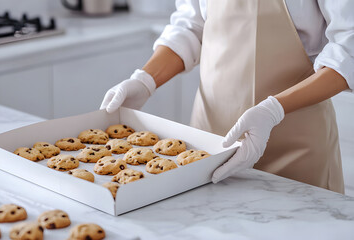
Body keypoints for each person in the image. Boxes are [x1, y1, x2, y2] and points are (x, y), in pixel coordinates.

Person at [100, 0, 354, 194]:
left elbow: (348, 48)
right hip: (209, 146)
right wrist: (145, 80)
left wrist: (274, 110)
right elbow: (191, 26)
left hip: (298, 150)